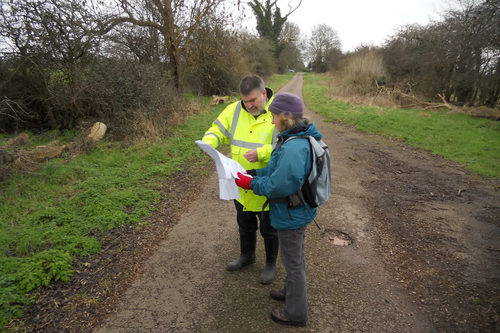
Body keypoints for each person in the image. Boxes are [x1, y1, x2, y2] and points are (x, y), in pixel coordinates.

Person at [235, 92, 321, 327]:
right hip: (296, 211)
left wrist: (250, 183)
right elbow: (276, 170)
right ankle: (289, 292)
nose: (271, 120)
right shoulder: (292, 138)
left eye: (274, 116)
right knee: (295, 258)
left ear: (285, 116)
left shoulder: (294, 148)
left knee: (293, 263)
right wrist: (254, 173)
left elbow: (278, 186)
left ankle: (296, 313)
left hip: (291, 214)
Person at [201, 75, 279, 284]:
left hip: (266, 183)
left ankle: (271, 264)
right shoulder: (234, 109)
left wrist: (262, 152)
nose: (248, 105)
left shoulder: (279, 111)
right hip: (240, 181)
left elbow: (287, 146)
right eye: (245, 101)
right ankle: (247, 256)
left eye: (253, 100)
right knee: (244, 223)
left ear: (264, 93)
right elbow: (218, 130)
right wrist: (209, 142)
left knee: (269, 228)